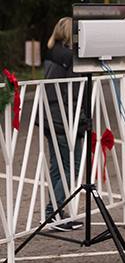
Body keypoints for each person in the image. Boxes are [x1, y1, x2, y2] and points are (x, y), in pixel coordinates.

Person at [42, 17, 85, 231]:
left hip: (51, 116)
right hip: (67, 117)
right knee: (72, 166)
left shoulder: (51, 54)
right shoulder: (71, 58)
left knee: (57, 167)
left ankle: (53, 212)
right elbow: (77, 93)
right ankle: (55, 212)